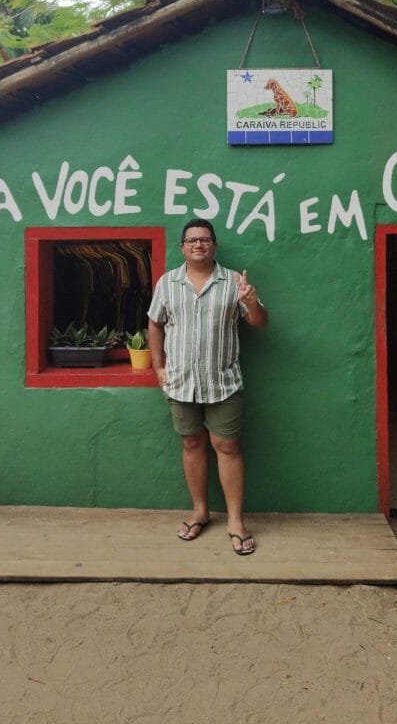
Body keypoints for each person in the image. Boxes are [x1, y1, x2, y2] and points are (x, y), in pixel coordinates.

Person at [147, 218, 268, 555]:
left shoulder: (233, 282)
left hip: (224, 382)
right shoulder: (167, 283)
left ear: (214, 245)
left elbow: (259, 323)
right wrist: (158, 367)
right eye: (191, 240)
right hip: (180, 383)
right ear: (182, 247)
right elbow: (155, 324)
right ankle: (200, 511)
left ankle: (235, 521)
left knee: (227, 447)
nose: (198, 244)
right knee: (191, 442)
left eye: (204, 239)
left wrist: (253, 301)